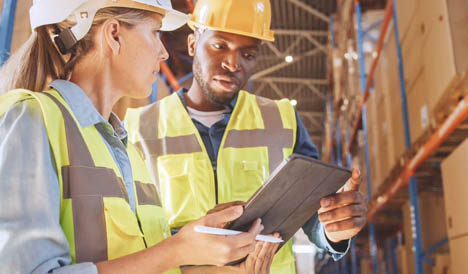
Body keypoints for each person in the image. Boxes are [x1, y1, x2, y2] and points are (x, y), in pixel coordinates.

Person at [0, 0, 280, 273]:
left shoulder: (125, 150)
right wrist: (178, 249)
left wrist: (214, 267)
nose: (164, 53)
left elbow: (145, 262)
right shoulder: (33, 120)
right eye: (155, 33)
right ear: (114, 35)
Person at [124, 0, 368, 273]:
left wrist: (333, 228)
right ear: (193, 45)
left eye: (248, 54)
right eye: (220, 46)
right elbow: (129, 234)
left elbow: (309, 213)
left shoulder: (282, 120)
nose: (233, 64)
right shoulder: (137, 128)